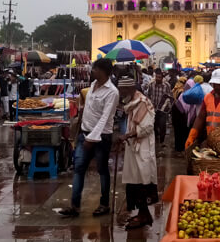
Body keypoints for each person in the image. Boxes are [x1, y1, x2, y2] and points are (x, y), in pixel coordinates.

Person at [59, 58, 118, 218]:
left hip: (101, 137)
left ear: (103, 71)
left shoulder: (112, 92)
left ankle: (104, 204)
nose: (92, 71)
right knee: (78, 169)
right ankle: (74, 205)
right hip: (85, 134)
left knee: (102, 170)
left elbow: (106, 118)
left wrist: (91, 138)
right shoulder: (92, 86)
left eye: (95, 69)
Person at [117, 76, 158, 229]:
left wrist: (127, 135)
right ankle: (143, 214)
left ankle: (144, 215)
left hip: (142, 148)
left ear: (130, 89)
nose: (121, 94)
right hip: (133, 148)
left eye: (123, 90)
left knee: (142, 180)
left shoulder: (142, 103)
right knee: (134, 180)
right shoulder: (132, 103)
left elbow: (147, 127)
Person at [146, 69, 173, 149]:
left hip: (162, 110)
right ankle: (155, 138)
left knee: (162, 125)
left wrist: (168, 107)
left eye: (159, 77)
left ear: (162, 78)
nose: (158, 79)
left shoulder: (167, 85)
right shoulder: (151, 85)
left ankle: (162, 141)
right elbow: (148, 95)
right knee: (154, 125)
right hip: (153, 109)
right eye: (156, 77)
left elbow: (170, 96)